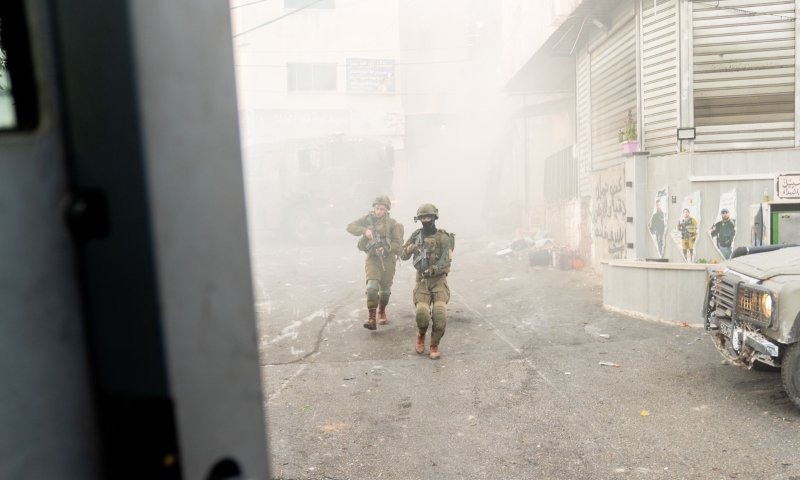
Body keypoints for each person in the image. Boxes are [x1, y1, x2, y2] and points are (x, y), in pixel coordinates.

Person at [400, 203, 453, 360]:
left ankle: (434, 344)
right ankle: (421, 335)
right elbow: (402, 255)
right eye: (422, 218)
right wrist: (411, 248)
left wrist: (434, 269)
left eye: (428, 217)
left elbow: (446, 260)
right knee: (422, 313)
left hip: (438, 281)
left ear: (434, 217)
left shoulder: (443, 237)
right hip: (422, 281)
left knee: (440, 314)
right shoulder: (416, 235)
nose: (425, 220)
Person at [346, 196, 404, 330]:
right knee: (372, 287)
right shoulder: (367, 219)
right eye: (377, 208)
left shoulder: (393, 224)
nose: (378, 211)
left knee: (385, 292)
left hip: (388, 260)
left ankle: (381, 310)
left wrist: (386, 248)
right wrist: (364, 230)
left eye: (382, 209)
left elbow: (398, 243)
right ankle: (371, 318)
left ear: (387, 210)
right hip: (372, 258)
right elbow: (349, 227)